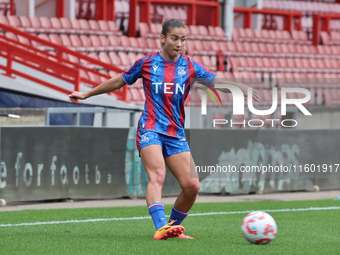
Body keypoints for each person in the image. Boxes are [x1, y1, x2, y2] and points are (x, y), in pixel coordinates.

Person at [69, 19, 260, 240]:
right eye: (175, 38)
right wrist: (86, 94)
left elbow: (216, 82)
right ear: (163, 38)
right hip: (150, 128)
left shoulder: (190, 66)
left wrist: (239, 88)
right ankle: (161, 227)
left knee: (192, 186)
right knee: (157, 175)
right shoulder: (147, 63)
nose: (179, 43)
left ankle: (172, 227)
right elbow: (118, 81)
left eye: (183, 39)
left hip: (175, 134)